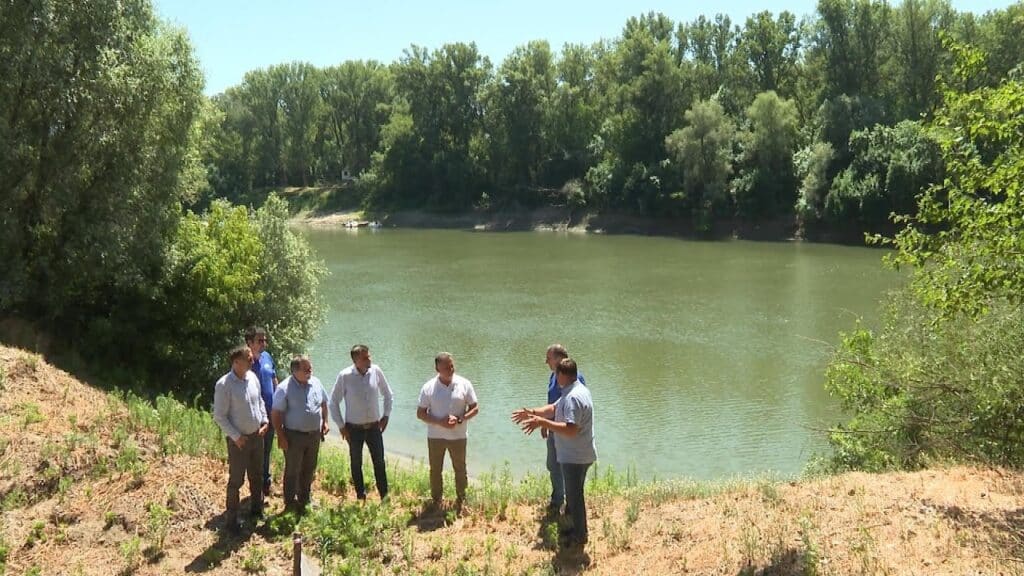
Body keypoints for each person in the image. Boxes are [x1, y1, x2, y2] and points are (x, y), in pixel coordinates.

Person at [512, 358, 595, 548]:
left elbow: (571, 429)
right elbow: (553, 408)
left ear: (563, 375)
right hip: (578, 453)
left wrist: (543, 423)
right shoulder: (575, 390)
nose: (555, 377)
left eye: (557, 374)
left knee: (575, 497)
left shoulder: (573, 398)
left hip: (575, 456)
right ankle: (573, 527)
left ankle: (579, 535)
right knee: (574, 495)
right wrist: (532, 412)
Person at [212, 345, 270, 533]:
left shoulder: (252, 377)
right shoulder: (224, 385)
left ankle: (256, 510)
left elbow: (260, 401)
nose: (252, 360)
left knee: (257, 476)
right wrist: (236, 437)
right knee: (236, 481)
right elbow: (219, 416)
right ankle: (232, 521)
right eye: (248, 358)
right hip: (239, 442)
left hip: (257, 437)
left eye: (251, 357)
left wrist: (264, 420)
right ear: (236, 362)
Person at [329, 344, 394, 501]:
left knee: (379, 462)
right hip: (354, 429)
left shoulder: (376, 371)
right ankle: (361, 496)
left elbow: (388, 394)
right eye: (365, 358)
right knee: (356, 462)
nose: (369, 359)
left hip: (374, 427)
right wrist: (341, 426)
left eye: (369, 356)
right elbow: (333, 402)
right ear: (355, 360)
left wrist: (386, 415)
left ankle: (384, 496)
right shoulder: (345, 376)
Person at [416, 352, 479, 509]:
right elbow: (420, 413)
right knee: (435, 469)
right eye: (446, 367)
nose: (451, 369)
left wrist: (460, 419)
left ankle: (462, 500)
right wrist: (440, 422)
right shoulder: (428, 387)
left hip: (458, 436)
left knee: (460, 469)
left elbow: (475, 408)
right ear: (437, 369)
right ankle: (436, 500)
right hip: (435, 436)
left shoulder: (464, 384)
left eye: (452, 366)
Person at [271, 355, 329, 514]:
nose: (310, 371)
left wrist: (325, 421)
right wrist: (281, 436)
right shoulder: (284, 388)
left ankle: (305, 498)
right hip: (293, 436)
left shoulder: (316, 382)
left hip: (314, 435)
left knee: (309, 468)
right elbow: (276, 414)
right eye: (306, 369)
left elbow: (324, 403)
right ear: (295, 371)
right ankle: (290, 503)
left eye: (311, 368)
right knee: (293, 470)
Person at [541, 344, 585, 515]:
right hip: (553, 429)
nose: (546, 362)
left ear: (559, 358)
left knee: (567, 468)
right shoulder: (554, 376)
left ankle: (569, 504)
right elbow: (552, 402)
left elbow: (576, 408)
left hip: (566, 432)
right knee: (553, 465)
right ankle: (557, 499)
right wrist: (544, 422)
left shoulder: (575, 378)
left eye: (549, 358)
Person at [245, 326, 278, 495]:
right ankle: (255, 489)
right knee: (255, 453)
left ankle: (266, 483)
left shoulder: (267, 357)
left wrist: (279, 404)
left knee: (267, 450)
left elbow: (274, 379)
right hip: (254, 416)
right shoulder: (245, 362)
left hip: (271, 413)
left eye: (265, 340)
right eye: (260, 340)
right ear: (249, 342)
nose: (264, 343)